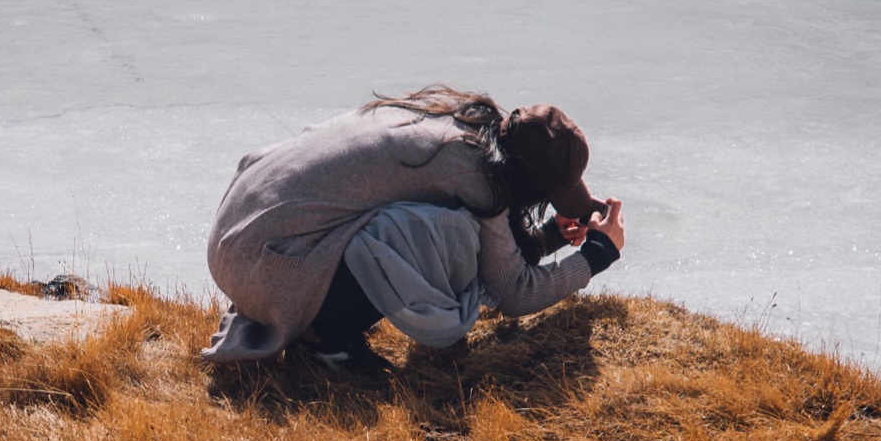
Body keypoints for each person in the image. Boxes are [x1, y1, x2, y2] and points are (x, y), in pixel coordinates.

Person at [200, 86, 626, 368]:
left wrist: (549, 236)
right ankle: (324, 337)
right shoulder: (475, 175)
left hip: (237, 233)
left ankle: (317, 320)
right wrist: (598, 255)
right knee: (448, 237)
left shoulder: (457, 127)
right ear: (527, 181)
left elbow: (501, 254)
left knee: (438, 229)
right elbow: (513, 291)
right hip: (267, 267)